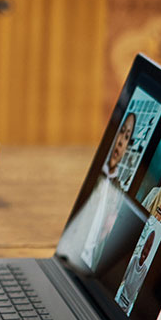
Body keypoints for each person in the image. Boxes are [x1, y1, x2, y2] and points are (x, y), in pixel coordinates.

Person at [57, 112, 135, 273]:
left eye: (127, 137)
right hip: (69, 258)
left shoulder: (120, 192)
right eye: (121, 132)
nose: (121, 141)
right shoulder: (95, 176)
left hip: (90, 268)